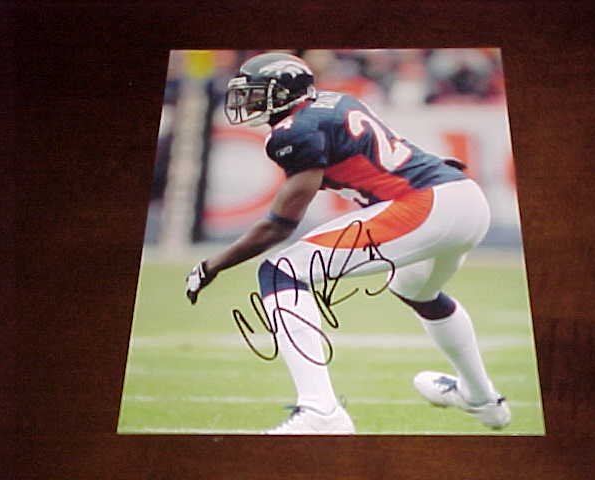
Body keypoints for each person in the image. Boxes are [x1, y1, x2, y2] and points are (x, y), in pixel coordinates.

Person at [186, 52, 511, 435]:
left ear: (286, 93)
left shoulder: (293, 131)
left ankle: (321, 411)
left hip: (427, 205)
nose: (250, 102)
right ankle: (482, 399)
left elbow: (278, 226)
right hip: (463, 199)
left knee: (280, 271)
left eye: (258, 93)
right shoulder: (334, 102)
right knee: (415, 289)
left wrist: (211, 266)